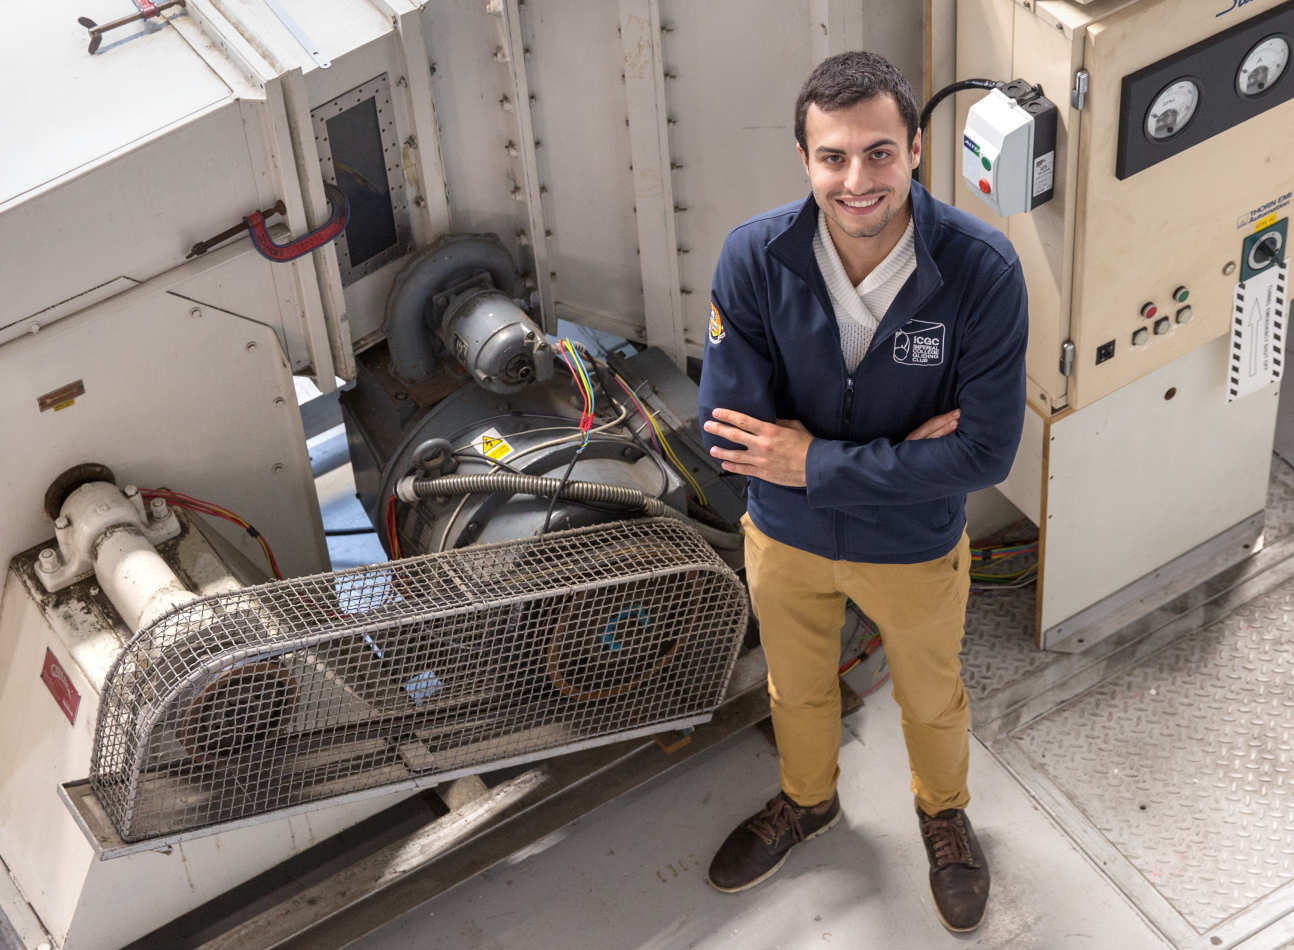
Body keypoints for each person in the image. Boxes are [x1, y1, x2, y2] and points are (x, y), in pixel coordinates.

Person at [696, 51, 1027, 933]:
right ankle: (807, 802)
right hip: (787, 538)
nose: (857, 181)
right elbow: (730, 436)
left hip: (912, 545)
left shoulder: (982, 272)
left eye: (879, 153)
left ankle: (943, 815)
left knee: (931, 695)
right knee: (795, 688)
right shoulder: (756, 257)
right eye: (833, 157)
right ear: (804, 160)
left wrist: (812, 460)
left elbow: (987, 450)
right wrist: (898, 456)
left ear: (915, 148)